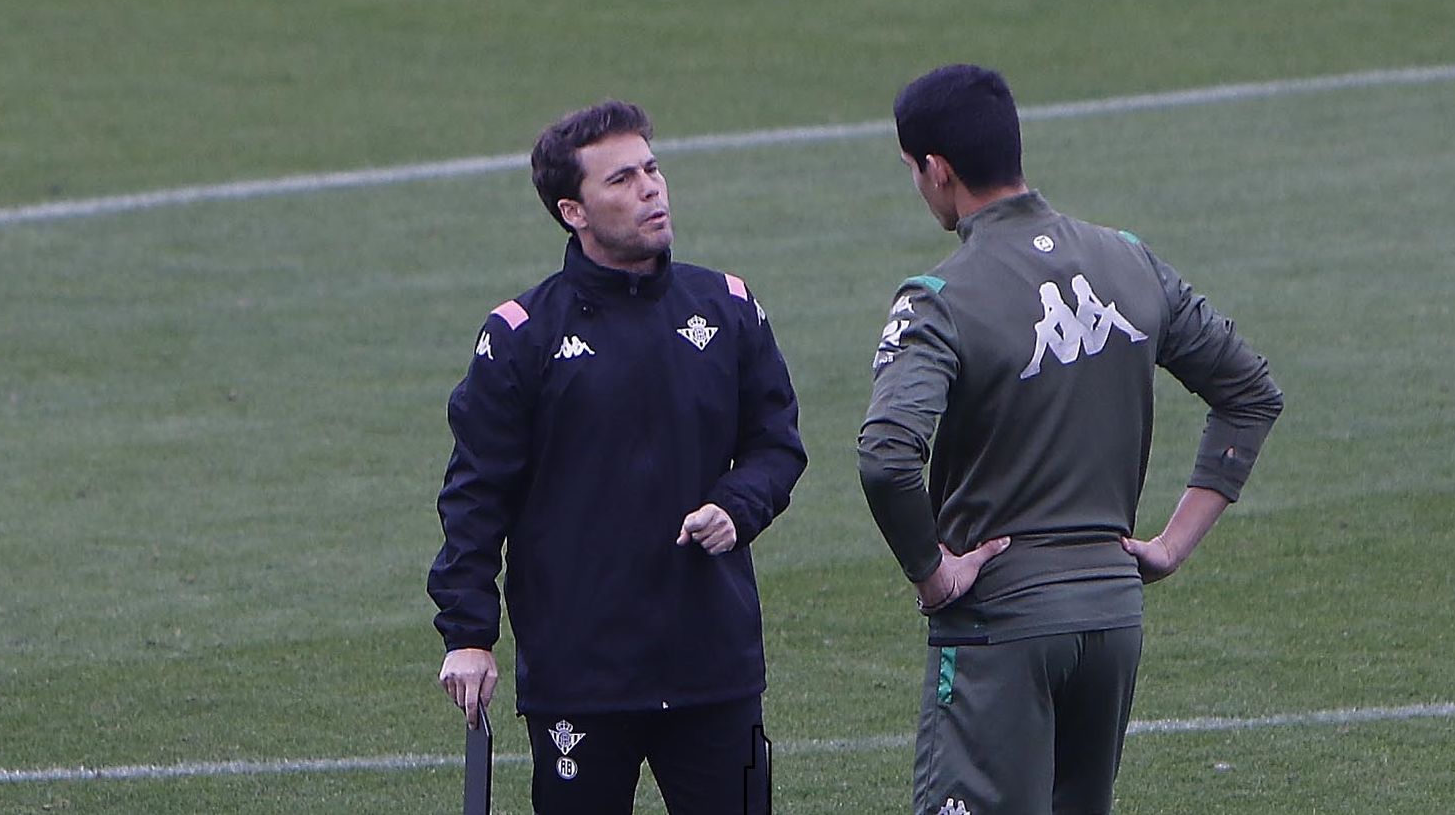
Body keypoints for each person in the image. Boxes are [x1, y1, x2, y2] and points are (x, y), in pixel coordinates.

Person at [858, 65, 1284, 815]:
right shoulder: (1128, 258)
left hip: (1002, 623)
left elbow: (887, 453)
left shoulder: (938, 300)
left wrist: (931, 573)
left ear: (938, 170)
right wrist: (1172, 544)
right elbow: (1249, 391)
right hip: (1115, 618)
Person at [429, 100, 806, 815]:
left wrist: (737, 504)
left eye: (653, 169)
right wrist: (469, 634)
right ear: (572, 209)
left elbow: (776, 441)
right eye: (623, 179)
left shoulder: (726, 306)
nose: (651, 189)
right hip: (581, 672)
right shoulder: (522, 336)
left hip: (712, 665)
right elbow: (475, 493)